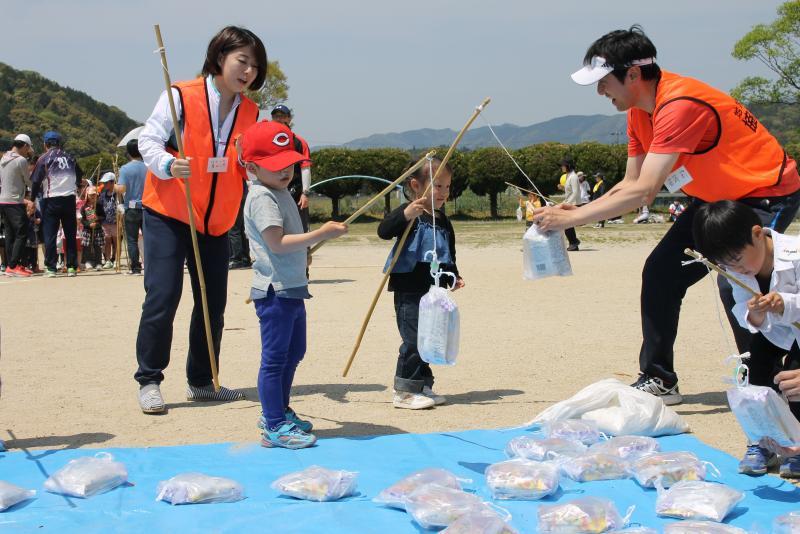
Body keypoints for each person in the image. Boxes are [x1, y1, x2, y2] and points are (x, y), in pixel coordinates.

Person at [534, 26, 800, 405]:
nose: (599, 91)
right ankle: (659, 377)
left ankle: (768, 382)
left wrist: (571, 221)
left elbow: (644, 191)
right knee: (660, 272)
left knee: (738, 279)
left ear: (633, 74)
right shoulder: (639, 113)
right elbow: (631, 182)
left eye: (604, 81)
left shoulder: (680, 105)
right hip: (712, 199)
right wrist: (577, 209)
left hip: (765, 194)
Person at [134, 26, 266, 414]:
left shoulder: (251, 111)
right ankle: (150, 379)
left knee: (213, 304)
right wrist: (167, 164)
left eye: (255, 66)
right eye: (242, 61)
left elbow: (248, 163)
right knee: (163, 296)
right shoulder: (180, 95)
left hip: (217, 221)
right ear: (220, 56)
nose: (248, 72)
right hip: (169, 212)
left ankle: (202, 381)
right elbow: (148, 140)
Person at [240, 120, 348, 448]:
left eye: (289, 164)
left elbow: (288, 241)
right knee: (275, 358)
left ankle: (280, 411)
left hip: (292, 286)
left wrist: (306, 254)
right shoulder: (261, 197)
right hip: (275, 291)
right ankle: (273, 423)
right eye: (276, 166)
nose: (286, 171)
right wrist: (321, 234)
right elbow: (277, 242)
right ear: (253, 167)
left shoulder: (281, 190)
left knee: (294, 351)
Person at [693, 200, 800, 477]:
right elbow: (744, 315)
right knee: (756, 381)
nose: (735, 269)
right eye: (725, 264)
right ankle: (763, 440)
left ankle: (797, 446)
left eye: (738, 259)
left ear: (757, 233)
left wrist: (786, 303)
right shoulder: (733, 270)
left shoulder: (796, 254)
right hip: (773, 332)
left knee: (793, 383)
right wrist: (754, 314)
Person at [378, 157, 465, 410]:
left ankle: (423, 384)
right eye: (437, 186)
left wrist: (455, 274)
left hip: (433, 291)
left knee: (430, 338)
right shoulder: (409, 214)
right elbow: (383, 231)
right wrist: (405, 214)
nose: (444, 193)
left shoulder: (443, 220)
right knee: (414, 338)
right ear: (416, 185)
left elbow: (449, 251)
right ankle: (404, 390)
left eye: (447, 187)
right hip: (408, 289)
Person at [31, 131, 82, 277]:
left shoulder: (44, 158)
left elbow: (35, 181)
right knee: (70, 234)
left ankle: (51, 267)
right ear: (60, 143)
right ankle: (72, 266)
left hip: (51, 199)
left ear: (46, 144)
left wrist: (32, 199)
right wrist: (76, 185)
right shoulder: (70, 157)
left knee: (50, 234)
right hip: (69, 199)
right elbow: (79, 174)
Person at [0, 134, 34, 277]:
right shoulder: (21, 160)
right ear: (25, 146)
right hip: (15, 201)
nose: (28, 152)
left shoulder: (3, 158)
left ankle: (11, 265)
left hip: (3, 200)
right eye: (28, 149)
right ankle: (13, 266)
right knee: (21, 233)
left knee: (10, 234)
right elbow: (28, 181)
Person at [117, 139, 146, 275]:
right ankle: (151, 265)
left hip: (132, 207)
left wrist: (115, 186)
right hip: (147, 207)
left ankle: (135, 267)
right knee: (148, 238)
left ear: (128, 152)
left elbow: (122, 189)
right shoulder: (148, 166)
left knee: (132, 240)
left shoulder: (125, 168)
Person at [80, 185, 104, 270]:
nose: (93, 196)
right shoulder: (84, 207)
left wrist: (98, 218)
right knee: (87, 246)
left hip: (97, 229)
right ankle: (87, 262)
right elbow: (82, 220)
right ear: (87, 195)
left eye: (94, 194)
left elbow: (103, 217)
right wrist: (88, 224)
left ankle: (98, 263)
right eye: (91, 195)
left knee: (97, 246)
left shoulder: (99, 206)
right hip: (87, 230)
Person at [98, 172, 118, 269]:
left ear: (112, 182)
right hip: (105, 222)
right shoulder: (102, 195)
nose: (104, 185)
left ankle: (116, 258)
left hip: (115, 222)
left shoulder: (117, 193)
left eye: (106, 183)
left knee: (116, 240)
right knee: (107, 241)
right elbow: (99, 206)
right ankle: (107, 260)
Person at [561, 159, 581, 251]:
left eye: (563, 165)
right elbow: (569, 192)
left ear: (568, 166)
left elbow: (575, 192)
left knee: (567, 224)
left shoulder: (573, 176)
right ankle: (574, 242)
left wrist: (568, 203)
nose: (562, 167)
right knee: (567, 224)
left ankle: (574, 242)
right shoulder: (568, 176)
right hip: (569, 202)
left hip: (574, 204)